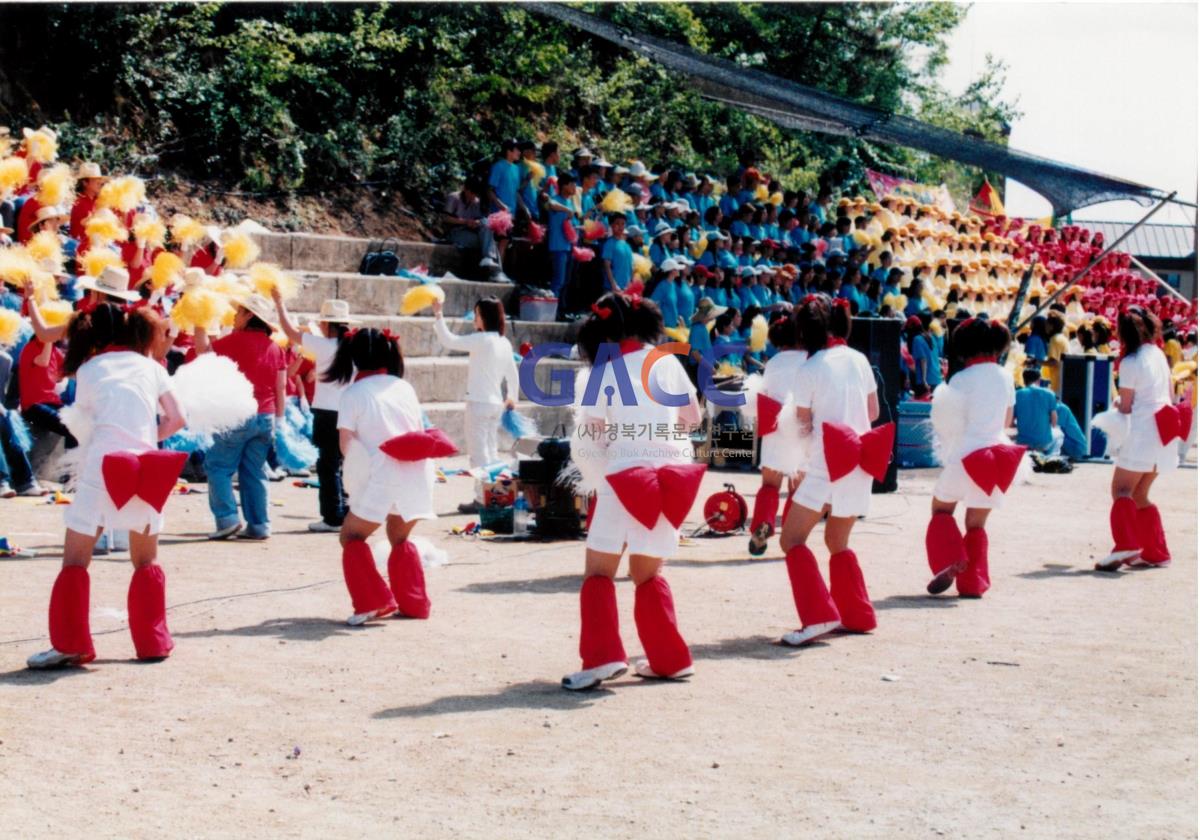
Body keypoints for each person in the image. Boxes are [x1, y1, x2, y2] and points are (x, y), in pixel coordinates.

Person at [26, 301, 187, 669]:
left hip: (103, 468)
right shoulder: (152, 367)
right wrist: (148, 437)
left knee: (76, 560)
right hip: (148, 468)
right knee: (146, 560)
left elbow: (83, 425)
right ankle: (153, 642)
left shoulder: (88, 369)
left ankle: (71, 643)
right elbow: (179, 418)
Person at [562, 291, 705, 691]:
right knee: (648, 573)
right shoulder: (668, 361)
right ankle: (670, 659)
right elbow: (692, 420)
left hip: (626, 476)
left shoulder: (602, 372)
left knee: (598, 572)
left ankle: (602, 658)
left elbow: (592, 435)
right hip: (673, 478)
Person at [778, 296, 890, 646]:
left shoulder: (809, 369)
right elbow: (872, 412)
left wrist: (800, 460)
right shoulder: (859, 359)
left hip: (827, 463)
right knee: (837, 540)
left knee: (791, 539)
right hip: (861, 461)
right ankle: (857, 614)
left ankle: (818, 616)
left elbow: (802, 424)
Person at [326, 328, 440, 625]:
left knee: (351, 536)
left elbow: (346, 445)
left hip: (381, 472)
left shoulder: (352, 393)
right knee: (399, 537)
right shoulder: (404, 387)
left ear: (353, 356)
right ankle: (414, 603)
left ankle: (372, 601)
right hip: (417, 471)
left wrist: (355, 485)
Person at [924, 317, 1024, 598]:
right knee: (977, 524)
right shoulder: (1005, 376)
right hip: (998, 454)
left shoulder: (960, 378)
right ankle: (973, 583)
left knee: (941, 510)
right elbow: (1007, 420)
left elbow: (948, 423)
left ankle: (948, 560)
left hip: (967, 452)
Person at [1095, 307, 1185, 572]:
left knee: (1121, 491)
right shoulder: (1158, 353)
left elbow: (1125, 405)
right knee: (1141, 494)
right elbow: (1170, 393)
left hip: (1143, 429)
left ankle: (1126, 545)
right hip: (1165, 428)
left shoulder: (1131, 361)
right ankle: (1156, 551)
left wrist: (1116, 404)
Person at [195, 292, 286, 541]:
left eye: (238, 312)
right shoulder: (276, 348)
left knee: (218, 467)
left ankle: (227, 519)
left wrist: (199, 321)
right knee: (255, 472)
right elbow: (281, 387)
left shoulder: (229, 343)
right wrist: (281, 421)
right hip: (265, 417)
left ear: (248, 316)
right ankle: (259, 525)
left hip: (235, 416)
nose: (234, 316)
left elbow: (203, 356)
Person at [273, 293, 357, 533]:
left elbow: (289, 332)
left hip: (326, 414)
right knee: (347, 463)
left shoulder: (323, 345)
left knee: (328, 466)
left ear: (327, 324)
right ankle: (350, 511)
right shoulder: (353, 346)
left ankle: (332, 517)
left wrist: (280, 303)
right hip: (351, 413)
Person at [430, 295, 518, 513]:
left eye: (477, 315)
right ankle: (496, 495)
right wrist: (512, 396)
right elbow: (513, 373)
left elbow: (449, 340)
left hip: (478, 404)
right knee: (492, 452)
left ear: (484, 317)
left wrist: (438, 313)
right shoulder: (503, 342)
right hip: (496, 404)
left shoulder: (481, 340)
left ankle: (482, 499)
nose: (474, 319)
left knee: (479, 454)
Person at [748, 312, 808, 556]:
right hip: (800, 428)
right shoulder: (809, 359)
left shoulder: (772, 363)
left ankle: (762, 523)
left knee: (769, 485)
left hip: (773, 427)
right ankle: (791, 534)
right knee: (797, 487)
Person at [1013, 367, 1062, 456]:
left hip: (1023, 442)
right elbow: (1054, 421)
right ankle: (1050, 457)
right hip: (1043, 443)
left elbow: (1011, 422)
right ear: (1039, 380)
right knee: (1060, 434)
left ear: (1024, 380)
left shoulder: (1017, 394)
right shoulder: (1049, 393)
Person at [601, 213, 633, 292]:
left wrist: (630, 283)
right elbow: (607, 266)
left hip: (626, 288)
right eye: (617, 223)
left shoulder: (627, 245)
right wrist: (614, 285)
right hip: (613, 289)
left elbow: (630, 267)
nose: (620, 226)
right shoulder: (609, 243)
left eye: (623, 224)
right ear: (611, 225)